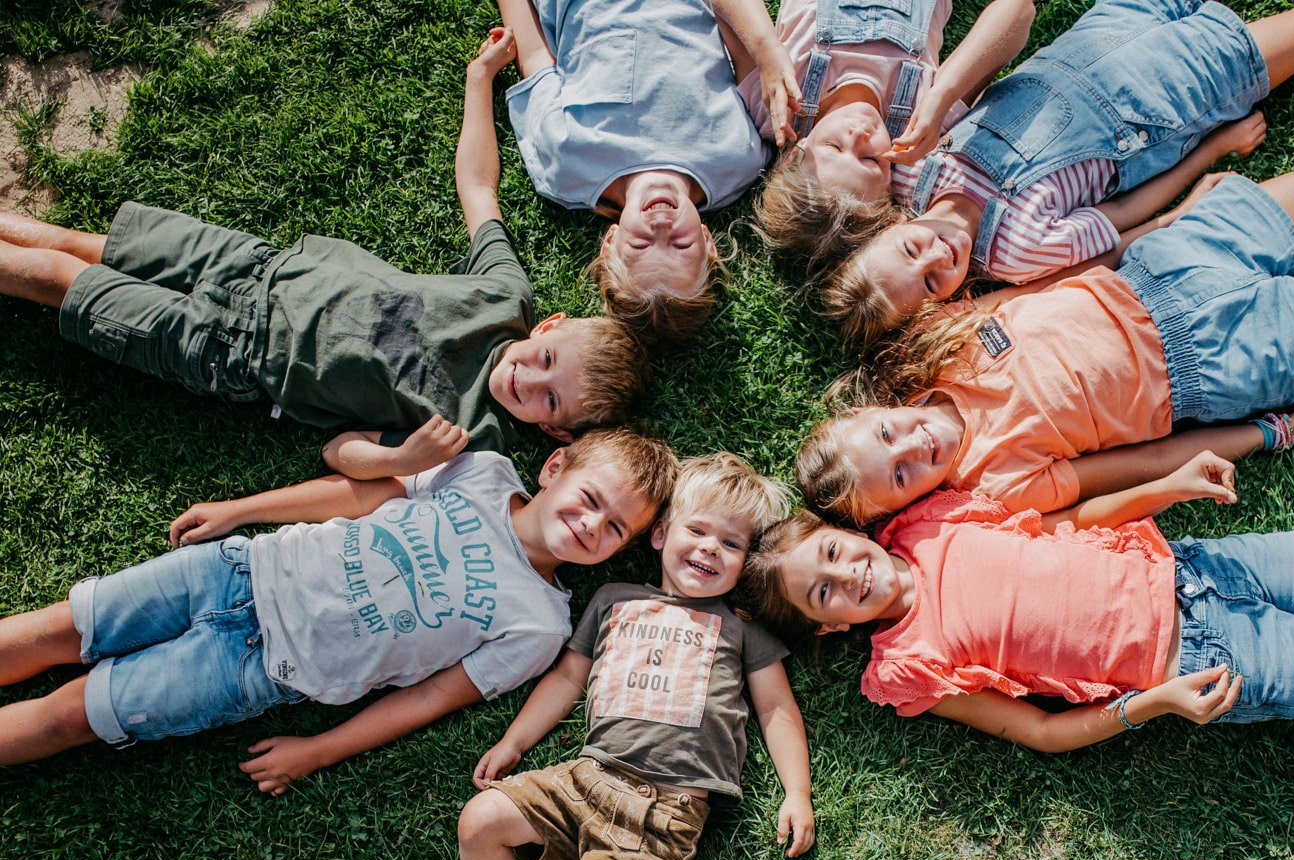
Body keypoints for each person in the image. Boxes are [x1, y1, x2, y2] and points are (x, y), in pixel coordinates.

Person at [797, 88, 1294, 525]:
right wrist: (1279, 431)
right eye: (899, 478)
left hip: (1179, 261)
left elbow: (1071, 272)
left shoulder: (940, 339)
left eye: (888, 436)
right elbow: (1152, 460)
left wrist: (1175, 218)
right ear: (909, 504)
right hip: (1230, 364)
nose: (911, 449)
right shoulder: (998, 487)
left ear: (872, 408)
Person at [0, 30, 647, 479]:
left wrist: (402, 460)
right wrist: (480, 79)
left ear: (555, 434)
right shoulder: (505, 297)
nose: (526, 380)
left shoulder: (472, 438)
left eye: (549, 401)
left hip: (234, 350)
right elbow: (479, 188)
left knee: (57, 277)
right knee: (76, 243)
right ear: (549, 327)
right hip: (257, 266)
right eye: (545, 361)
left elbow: (343, 454)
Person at [0, 427, 678, 795]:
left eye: (615, 528)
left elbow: (433, 697)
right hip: (235, 571)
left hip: (259, 667)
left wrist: (317, 753)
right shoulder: (482, 470)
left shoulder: (541, 626)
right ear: (557, 466)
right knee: (60, 629)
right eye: (591, 497)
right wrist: (243, 509)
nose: (592, 525)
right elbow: (356, 493)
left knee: (72, 714)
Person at [820, 0, 1294, 349]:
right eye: (935, 282)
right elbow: (1130, 216)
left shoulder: (914, 167)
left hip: (1102, 28)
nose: (940, 253)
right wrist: (1213, 147)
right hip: (1168, 94)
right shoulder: (1018, 249)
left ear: (885, 224)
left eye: (911, 248)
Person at [744, 461, 1294, 750]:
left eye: (835, 553)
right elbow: (1039, 731)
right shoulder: (907, 666)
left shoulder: (929, 521)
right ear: (828, 625)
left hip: (1205, 566)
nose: (847, 576)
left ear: (849, 533)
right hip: (1204, 664)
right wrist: (1156, 703)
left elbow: (1070, 525)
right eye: (825, 592)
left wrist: (1164, 487)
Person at [427, 453, 814, 860]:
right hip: (586, 780)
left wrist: (796, 791)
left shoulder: (741, 629)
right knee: (480, 821)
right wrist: (515, 740)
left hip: (665, 812)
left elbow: (776, 708)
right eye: (697, 529)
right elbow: (567, 679)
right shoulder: (613, 600)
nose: (709, 548)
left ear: (746, 564)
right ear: (659, 534)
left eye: (731, 544)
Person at [496, 0, 796, 341]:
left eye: (640, 245)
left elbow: (535, 57)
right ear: (707, 241)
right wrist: (765, 47)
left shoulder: (567, 166)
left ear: (610, 242)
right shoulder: (738, 160)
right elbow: (734, 35)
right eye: (681, 245)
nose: (660, 226)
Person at [748, 0, 1035, 261]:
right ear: (891, 183)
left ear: (793, 154)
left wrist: (763, 48)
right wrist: (943, 93)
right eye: (870, 160)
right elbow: (1017, 11)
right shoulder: (921, 123)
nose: (859, 136)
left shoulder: (777, 104)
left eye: (833, 147)